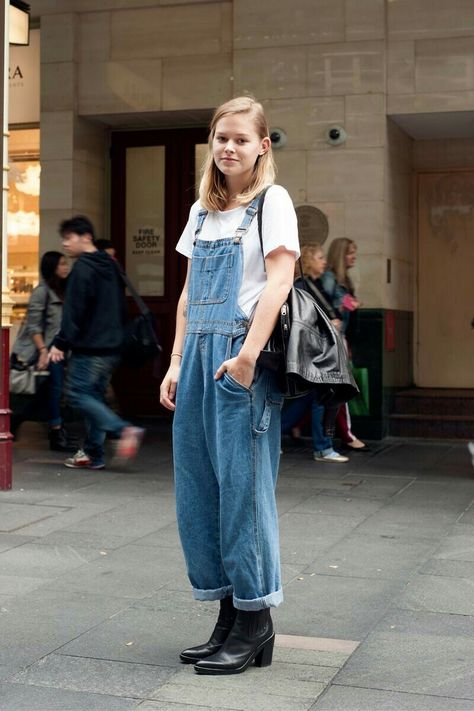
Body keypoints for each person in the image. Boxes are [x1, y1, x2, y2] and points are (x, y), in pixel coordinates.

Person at [160, 96, 299, 675]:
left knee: (242, 493)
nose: (228, 147)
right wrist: (173, 363)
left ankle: (255, 619)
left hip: (239, 357)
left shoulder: (274, 202)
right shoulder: (201, 210)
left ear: (262, 146)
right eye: (220, 138)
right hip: (195, 358)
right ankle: (226, 617)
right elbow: (190, 295)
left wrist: (245, 357)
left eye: (240, 138)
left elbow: (279, 280)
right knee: (198, 494)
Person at [49, 216, 144, 470]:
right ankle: (93, 453)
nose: (65, 243)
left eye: (69, 238)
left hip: (90, 347)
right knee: (95, 399)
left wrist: (60, 342)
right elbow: (121, 305)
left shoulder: (82, 268)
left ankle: (123, 430)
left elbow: (74, 312)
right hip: (113, 347)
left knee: (78, 395)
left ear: (86, 237)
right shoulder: (110, 264)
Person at [281, 243, 348, 463]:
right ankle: (323, 448)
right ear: (309, 260)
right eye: (319, 257)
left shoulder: (313, 283)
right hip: (314, 351)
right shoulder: (303, 285)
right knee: (321, 396)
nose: (324, 261)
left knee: (307, 399)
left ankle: (276, 435)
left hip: (314, 350)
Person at [11, 251, 74, 451]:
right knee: (54, 390)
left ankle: (18, 418)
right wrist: (44, 351)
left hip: (61, 349)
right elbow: (33, 326)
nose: (66, 267)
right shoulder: (42, 292)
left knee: (48, 391)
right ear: (51, 267)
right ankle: (56, 432)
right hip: (46, 350)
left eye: (66, 263)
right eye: (61, 264)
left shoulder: (64, 290)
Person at [321, 237, 367, 450]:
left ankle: (292, 425)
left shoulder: (342, 278)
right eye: (350, 253)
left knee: (324, 393)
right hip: (333, 339)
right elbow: (327, 304)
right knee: (341, 389)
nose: (353, 257)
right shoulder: (330, 278)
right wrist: (349, 303)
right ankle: (347, 436)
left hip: (341, 338)